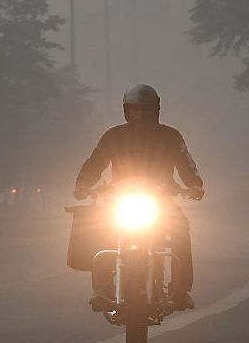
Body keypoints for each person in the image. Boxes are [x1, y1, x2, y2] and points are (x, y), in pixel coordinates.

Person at [74, 84, 204, 310]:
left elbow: (186, 165)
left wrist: (194, 186)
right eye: (135, 109)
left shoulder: (171, 136)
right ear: (126, 111)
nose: (141, 114)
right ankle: (103, 291)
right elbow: (94, 164)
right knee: (100, 231)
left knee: (181, 230)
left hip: (161, 201)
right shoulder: (113, 136)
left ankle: (181, 290)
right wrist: (83, 185)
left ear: (156, 110)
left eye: (146, 109)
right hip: (120, 201)